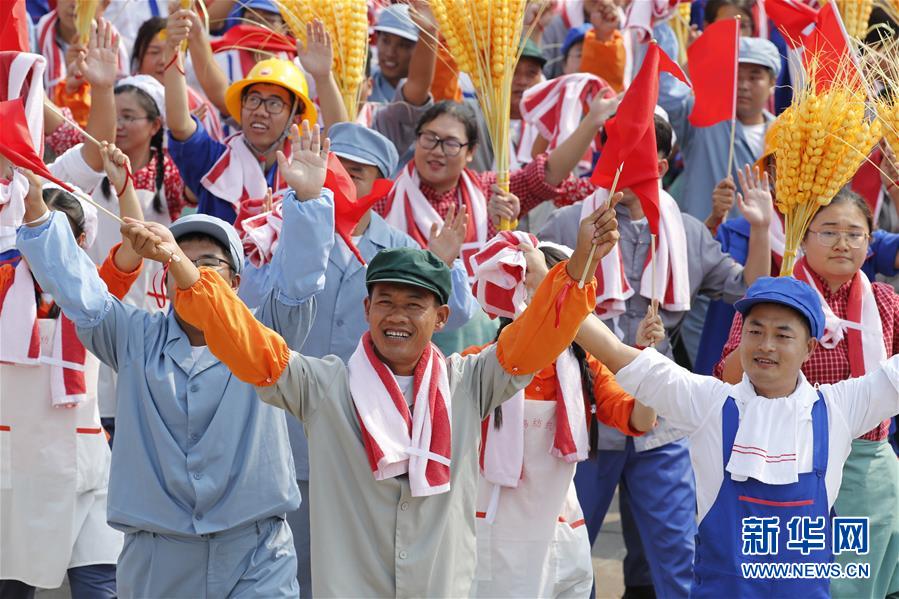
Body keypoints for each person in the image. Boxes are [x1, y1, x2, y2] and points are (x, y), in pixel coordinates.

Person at [155, 186, 622, 597]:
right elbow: (249, 345)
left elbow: (535, 337)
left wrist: (582, 258)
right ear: (367, 309)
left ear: (441, 318)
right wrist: (183, 268)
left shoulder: (469, 382)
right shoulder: (325, 386)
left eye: (414, 305)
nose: (396, 316)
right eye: (386, 302)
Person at [16, 122, 334, 598]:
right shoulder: (133, 335)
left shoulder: (266, 334)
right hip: (158, 554)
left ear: (235, 282)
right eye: (178, 261)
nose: (190, 274)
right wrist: (37, 212)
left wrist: (308, 202)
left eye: (208, 264)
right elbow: (80, 292)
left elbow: (299, 285)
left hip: (255, 551)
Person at [237, 122, 479, 594]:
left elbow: (457, 314)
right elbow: (255, 305)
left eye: (355, 174)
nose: (339, 182)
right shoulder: (287, 232)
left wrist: (442, 263)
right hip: (289, 422)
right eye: (334, 170)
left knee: (358, 567)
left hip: (369, 435)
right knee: (284, 566)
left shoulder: (403, 248)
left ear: (379, 186)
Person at [538, 116, 774, 598]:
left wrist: (762, 228)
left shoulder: (686, 233)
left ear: (663, 166)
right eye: (614, 152)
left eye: (638, 157)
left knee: (678, 555)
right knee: (563, 554)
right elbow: (531, 301)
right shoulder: (568, 224)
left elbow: (750, 290)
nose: (621, 166)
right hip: (584, 416)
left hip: (660, 418)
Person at [572, 274, 899, 597]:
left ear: (809, 348)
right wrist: (556, 292)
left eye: (782, 334)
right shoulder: (709, 404)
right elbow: (614, 352)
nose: (766, 345)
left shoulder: (838, 409)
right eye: (755, 331)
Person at [715, 192, 899, 598]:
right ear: (803, 235)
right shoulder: (776, 300)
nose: (842, 243)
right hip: (792, 462)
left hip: (869, 469)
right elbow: (727, 378)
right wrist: (767, 339)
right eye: (829, 232)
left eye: (855, 234)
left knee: (867, 580)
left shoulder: (884, 301)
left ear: (870, 242)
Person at [466, 240, 657, 598]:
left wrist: (648, 364)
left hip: (558, 525)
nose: (547, 311)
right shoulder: (481, 365)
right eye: (539, 293)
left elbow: (639, 419)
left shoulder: (584, 369)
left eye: (557, 300)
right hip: (495, 528)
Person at [0, 145, 142, 599]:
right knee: (12, 584)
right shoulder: (4, 282)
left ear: (80, 242)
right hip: (16, 467)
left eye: (60, 234)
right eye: (36, 227)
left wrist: (124, 185)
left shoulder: (95, 295)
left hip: (85, 465)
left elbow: (135, 245)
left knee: (99, 583)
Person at [164, 8, 317, 223]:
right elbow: (180, 126)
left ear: (295, 118)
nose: (260, 111)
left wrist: (324, 77)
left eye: (274, 103)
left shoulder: (309, 172)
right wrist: (172, 51)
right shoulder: (214, 160)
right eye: (253, 99)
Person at [129, 16, 223, 141]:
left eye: (173, 52)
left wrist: (192, 133)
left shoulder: (198, 103)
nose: (164, 60)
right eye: (154, 52)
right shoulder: (124, 95)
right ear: (138, 58)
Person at [35, 0, 129, 126]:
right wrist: (67, 78)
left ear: (105, 5)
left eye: (85, 1)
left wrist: (97, 83)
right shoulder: (33, 40)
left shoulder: (120, 49)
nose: (75, 4)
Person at [370, 3, 419, 103]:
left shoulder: (432, 91)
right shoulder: (359, 85)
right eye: (385, 41)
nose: (390, 53)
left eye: (403, 45)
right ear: (377, 39)